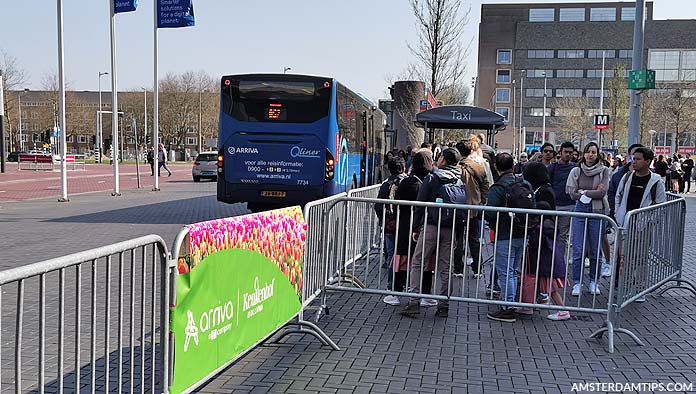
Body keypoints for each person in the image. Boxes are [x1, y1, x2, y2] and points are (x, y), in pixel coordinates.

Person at [401, 148, 464, 318]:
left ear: (442, 159)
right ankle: (443, 305)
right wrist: (458, 234)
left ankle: (414, 302)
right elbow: (463, 210)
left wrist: (415, 228)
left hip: (431, 225)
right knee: (445, 267)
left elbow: (420, 204)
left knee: (418, 262)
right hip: (450, 227)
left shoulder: (432, 178)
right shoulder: (459, 180)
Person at [486, 153, 536, 323]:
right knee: (513, 271)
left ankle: (507, 308)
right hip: (523, 233)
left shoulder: (498, 187)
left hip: (505, 234)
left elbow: (490, 212)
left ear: (496, 167)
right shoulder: (525, 184)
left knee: (505, 271)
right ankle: (510, 303)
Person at [614, 147, 667, 303]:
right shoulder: (627, 177)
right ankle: (625, 286)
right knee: (625, 257)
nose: (634, 161)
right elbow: (618, 196)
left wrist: (650, 221)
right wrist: (619, 215)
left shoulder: (656, 181)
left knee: (641, 258)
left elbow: (660, 205)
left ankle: (640, 289)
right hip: (625, 223)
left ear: (648, 161)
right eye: (633, 158)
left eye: (637, 159)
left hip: (643, 225)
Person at [384, 149, 434, 306]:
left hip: (405, 227)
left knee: (403, 259)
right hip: (425, 226)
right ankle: (425, 295)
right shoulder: (432, 181)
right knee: (425, 262)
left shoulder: (407, 182)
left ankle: (397, 293)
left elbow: (397, 201)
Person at [566, 142, 610, 296]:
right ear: (583, 154)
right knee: (578, 249)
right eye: (588, 152)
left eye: (593, 152)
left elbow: (602, 193)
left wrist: (584, 191)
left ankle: (593, 281)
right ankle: (577, 282)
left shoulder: (604, 171)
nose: (590, 155)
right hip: (580, 210)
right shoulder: (576, 171)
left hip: (598, 211)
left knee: (595, 249)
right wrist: (591, 192)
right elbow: (572, 194)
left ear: (598, 154)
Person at [454, 140, 490, 278]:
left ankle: (458, 269)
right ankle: (477, 269)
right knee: (474, 239)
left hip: (457, 207)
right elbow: (485, 185)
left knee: (458, 238)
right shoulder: (478, 166)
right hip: (474, 207)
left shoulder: (456, 167)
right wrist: (482, 201)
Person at [374, 156, 407, 289]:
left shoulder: (386, 185)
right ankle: (405, 283)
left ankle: (391, 285)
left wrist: (383, 220)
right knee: (405, 254)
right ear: (403, 168)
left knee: (391, 255)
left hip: (390, 225)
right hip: (405, 225)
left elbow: (378, 206)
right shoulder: (409, 183)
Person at [548, 142, 576, 256]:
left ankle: (559, 261)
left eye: (570, 153)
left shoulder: (575, 168)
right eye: (566, 152)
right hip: (553, 205)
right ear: (560, 152)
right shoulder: (552, 168)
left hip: (568, 206)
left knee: (562, 236)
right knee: (550, 233)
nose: (568, 155)